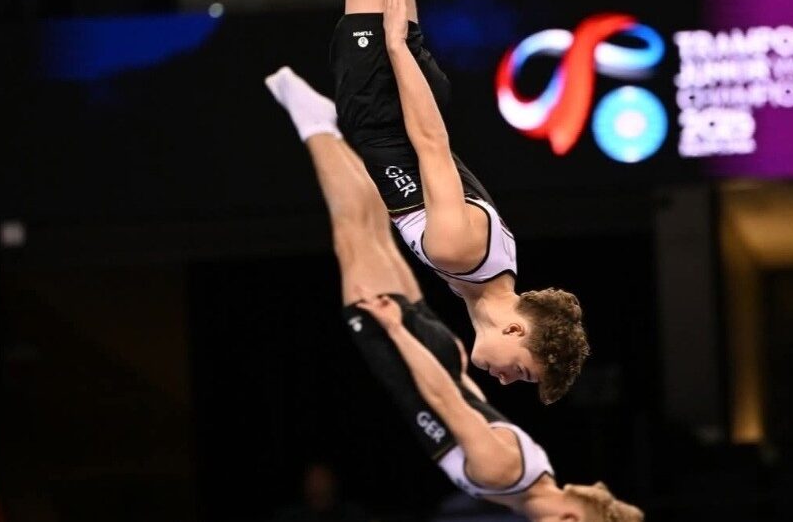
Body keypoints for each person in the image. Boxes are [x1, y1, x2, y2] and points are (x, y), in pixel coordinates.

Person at [266, 0, 589, 404]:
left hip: (386, 96)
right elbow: (433, 143)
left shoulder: (485, 271)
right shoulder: (459, 249)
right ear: (516, 327)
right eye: (521, 370)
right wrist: (396, 50)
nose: (503, 377)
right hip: (387, 95)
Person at [274, 122, 642, 522]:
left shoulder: (534, 475)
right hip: (410, 356)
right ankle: (316, 125)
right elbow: (442, 400)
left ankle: (323, 127)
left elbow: (474, 404)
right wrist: (396, 330)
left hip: (434, 355)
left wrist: (448, 357)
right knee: (353, 233)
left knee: (368, 232)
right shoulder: (502, 475)